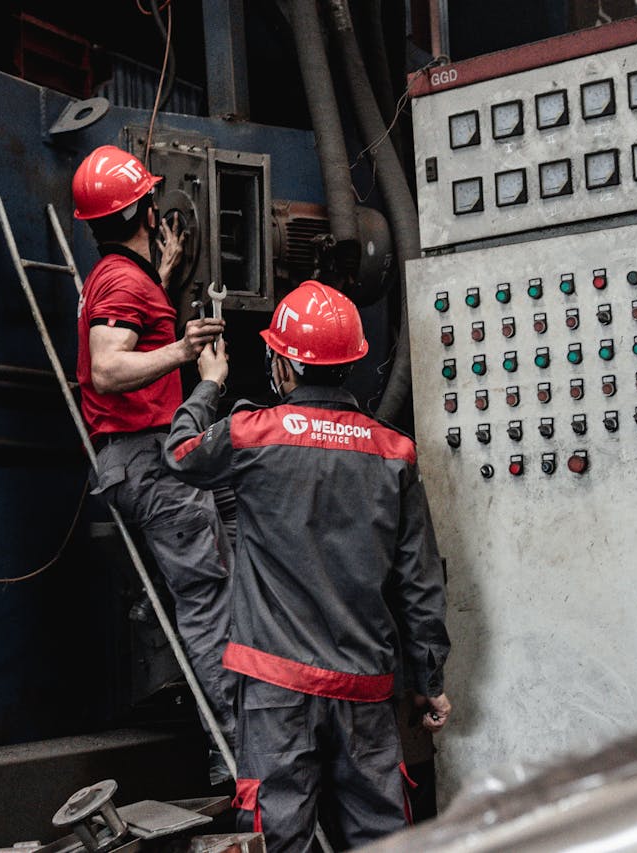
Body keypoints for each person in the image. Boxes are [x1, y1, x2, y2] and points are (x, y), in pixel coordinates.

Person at [163, 280, 452, 851]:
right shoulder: (393, 454)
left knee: (278, 838)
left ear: (283, 365)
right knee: (380, 837)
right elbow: (419, 581)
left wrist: (209, 385)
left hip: (276, 687)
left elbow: (180, 454)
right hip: (364, 689)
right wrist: (429, 680)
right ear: (350, 365)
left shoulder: (254, 434)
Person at [72, 144, 237, 764]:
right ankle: (236, 752)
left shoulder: (121, 279)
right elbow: (108, 368)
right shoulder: (120, 281)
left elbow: (128, 325)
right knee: (206, 595)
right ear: (144, 209)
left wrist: (163, 277)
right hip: (150, 458)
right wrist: (186, 350)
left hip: (157, 452)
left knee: (231, 557)